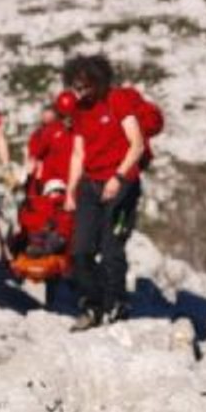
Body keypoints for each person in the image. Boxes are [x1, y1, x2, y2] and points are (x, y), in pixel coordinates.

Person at [63, 53, 147, 330]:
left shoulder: (117, 100)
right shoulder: (78, 109)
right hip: (91, 183)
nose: (80, 93)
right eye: (76, 87)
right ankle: (93, 304)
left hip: (122, 183)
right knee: (81, 251)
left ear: (99, 82)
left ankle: (117, 303)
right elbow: (78, 152)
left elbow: (137, 144)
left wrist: (118, 177)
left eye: (85, 87)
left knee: (112, 249)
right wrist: (70, 191)